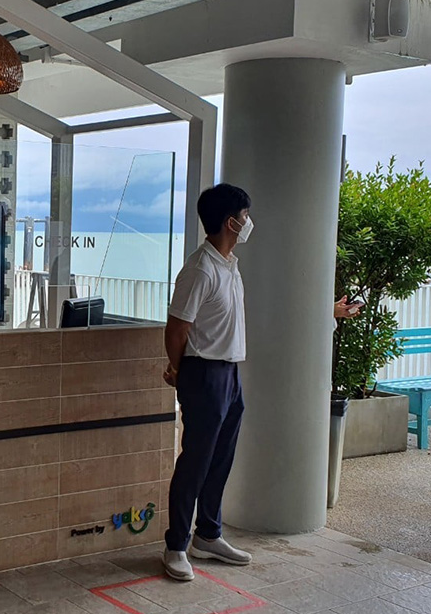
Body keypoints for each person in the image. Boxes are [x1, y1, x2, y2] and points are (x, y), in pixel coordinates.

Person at [161, 183, 253, 581]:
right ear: (231, 222)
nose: (249, 222)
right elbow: (176, 328)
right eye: (245, 216)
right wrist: (180, 371)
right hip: (203, 373)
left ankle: (208, 535)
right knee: (195, 462)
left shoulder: (229, 265)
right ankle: (176, 545)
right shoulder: (200, 269)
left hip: (229, 373)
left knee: (220, 459)